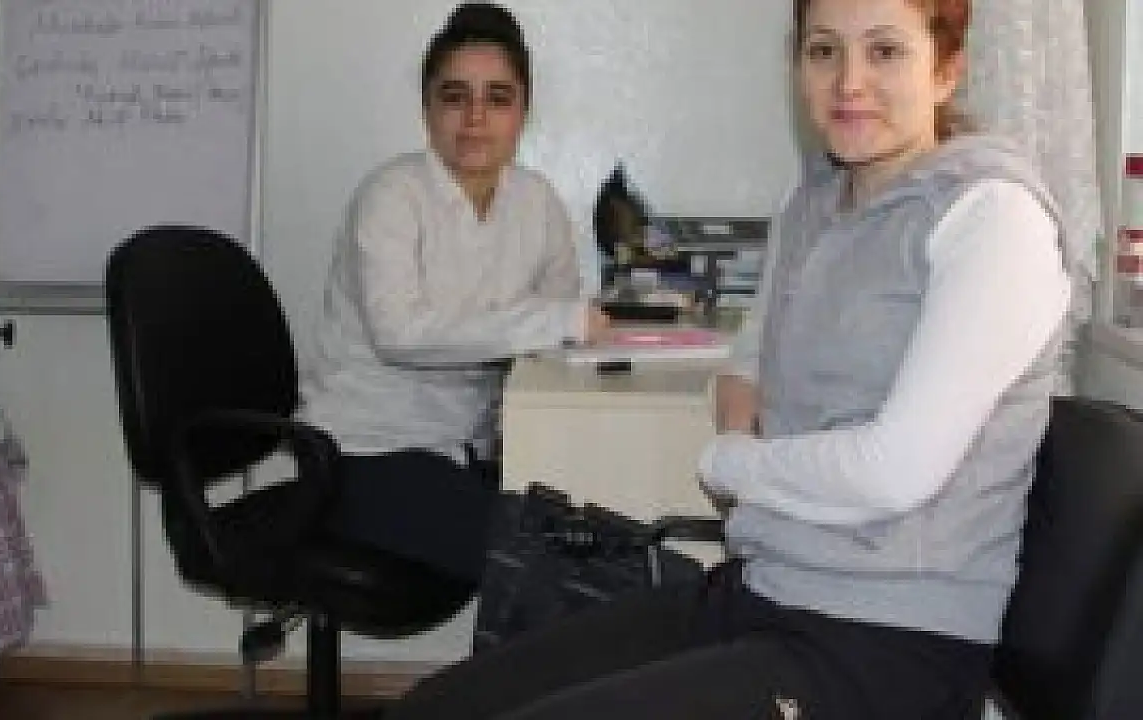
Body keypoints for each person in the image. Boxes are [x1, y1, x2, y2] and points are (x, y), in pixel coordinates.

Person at [384, 0, 1087, 717]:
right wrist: (753, 457)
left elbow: (895, 469)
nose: (849, 81)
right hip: (763, 588)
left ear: (946, 70)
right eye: (823, 51)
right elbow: (745, 367)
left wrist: (732, 464)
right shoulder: (811, 204)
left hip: (888, 639)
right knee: (435, 709)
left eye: (884, 51)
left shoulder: (992, 218)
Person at [298, 2, 612, 585]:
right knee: (545, 569)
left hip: (471, 449)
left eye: (498, 97)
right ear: (427, 108)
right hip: (366, 453)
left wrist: (577, 332)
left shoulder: (538, 204)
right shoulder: (391, 197)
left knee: (595, 534)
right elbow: (401, 335)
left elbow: (552, 340)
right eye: (454, 96)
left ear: (523, 111)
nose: (475, 117)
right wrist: (555, 322)